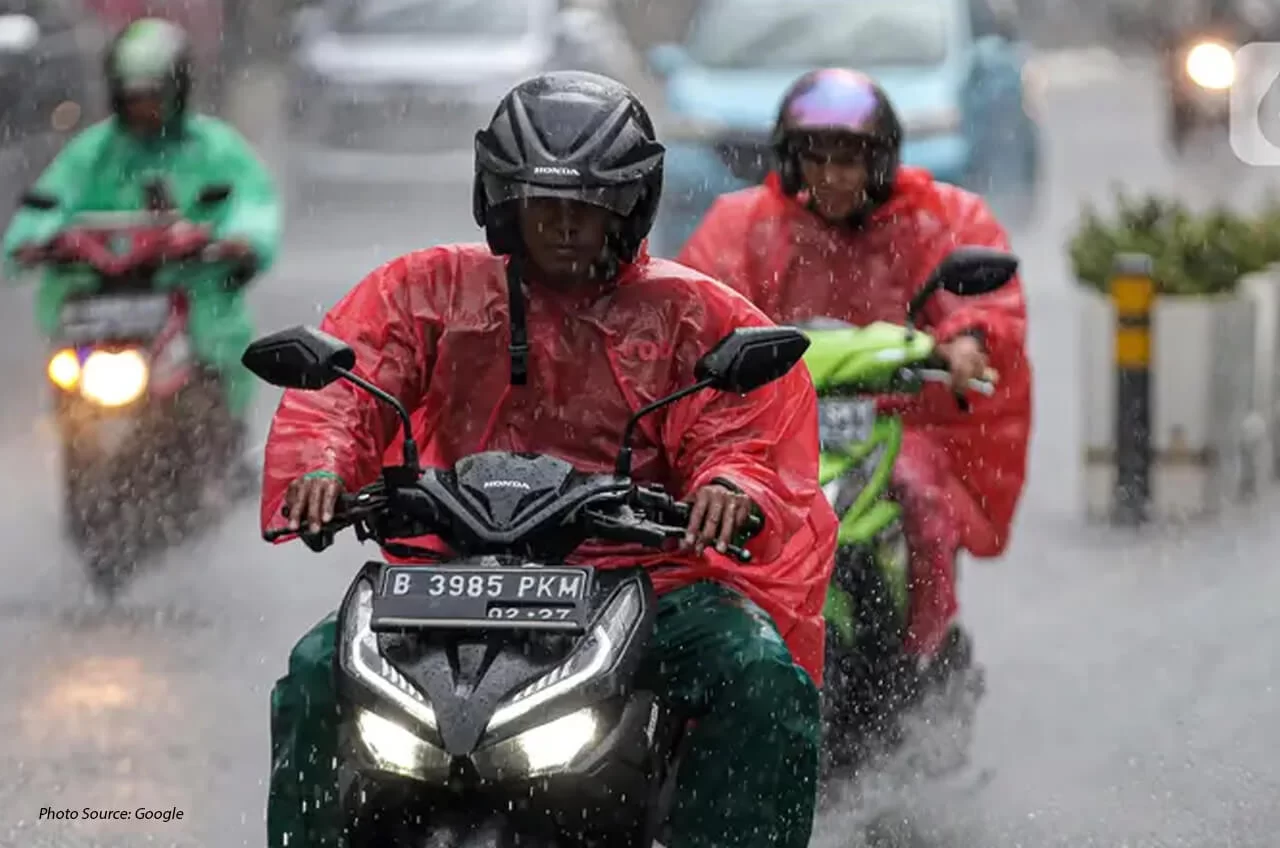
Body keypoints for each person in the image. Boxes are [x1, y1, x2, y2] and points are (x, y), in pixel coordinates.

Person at [259, 71, 837, 848]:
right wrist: (324, 465)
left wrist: (728, 485)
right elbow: (354, 381)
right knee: (311, 673)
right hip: (447, 576)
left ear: (628, 209)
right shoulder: (428, 289)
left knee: (760, 675)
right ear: (503, 203)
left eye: (586, 209)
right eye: (545, 206)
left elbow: (738, 430)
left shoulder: (692, 313)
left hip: (646, 582)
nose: (564, 227)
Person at [677, 68, 1032, 667]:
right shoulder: (744, 225)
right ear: (791, 163)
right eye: (816, 159)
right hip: (782, 422)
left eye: (848, 159)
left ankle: (926, 647)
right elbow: (701, 307)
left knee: (923, 500)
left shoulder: (934, 219)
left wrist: (965, 340)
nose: (832, 176)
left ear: (880, 160)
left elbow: (979, 301)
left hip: (899, 420)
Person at [3, 18, 281, 488]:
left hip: (190, 292)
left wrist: (234, 239)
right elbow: (50, 201)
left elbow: (253, 203)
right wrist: (36, 240)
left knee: (226, 346)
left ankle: (227, 446)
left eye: (154, 95)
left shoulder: (215, 149)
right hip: (99, 296)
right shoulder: (92, 152)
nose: (145, 108)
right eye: (134, 96)